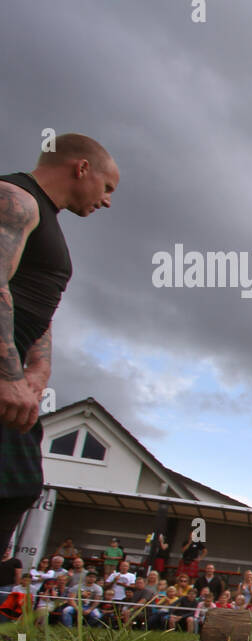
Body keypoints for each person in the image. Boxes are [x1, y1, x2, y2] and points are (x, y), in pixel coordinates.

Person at [0, 135, 118, 552]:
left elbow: (31, 299)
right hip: (3, 373)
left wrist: (38, 368)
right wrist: (10, 374)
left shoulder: (44, 218)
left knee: (15, 486)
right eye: (107, 188)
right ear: (81, 168)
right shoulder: (15, 199)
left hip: (16, 373)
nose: (107, 201)